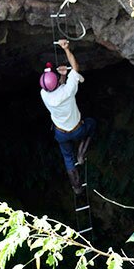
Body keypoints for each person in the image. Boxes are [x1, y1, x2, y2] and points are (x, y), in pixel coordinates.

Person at [39, 39, 96, 195]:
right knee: (91, 124)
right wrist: (66, 49)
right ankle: (81, 153)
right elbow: (76, 68)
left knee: (67, 157)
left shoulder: (44, 94)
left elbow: (56, 88)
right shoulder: (68, 90)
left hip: (60, 133)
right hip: (78, 130)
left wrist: (62, 77)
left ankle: (77, 187)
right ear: (57, 82)